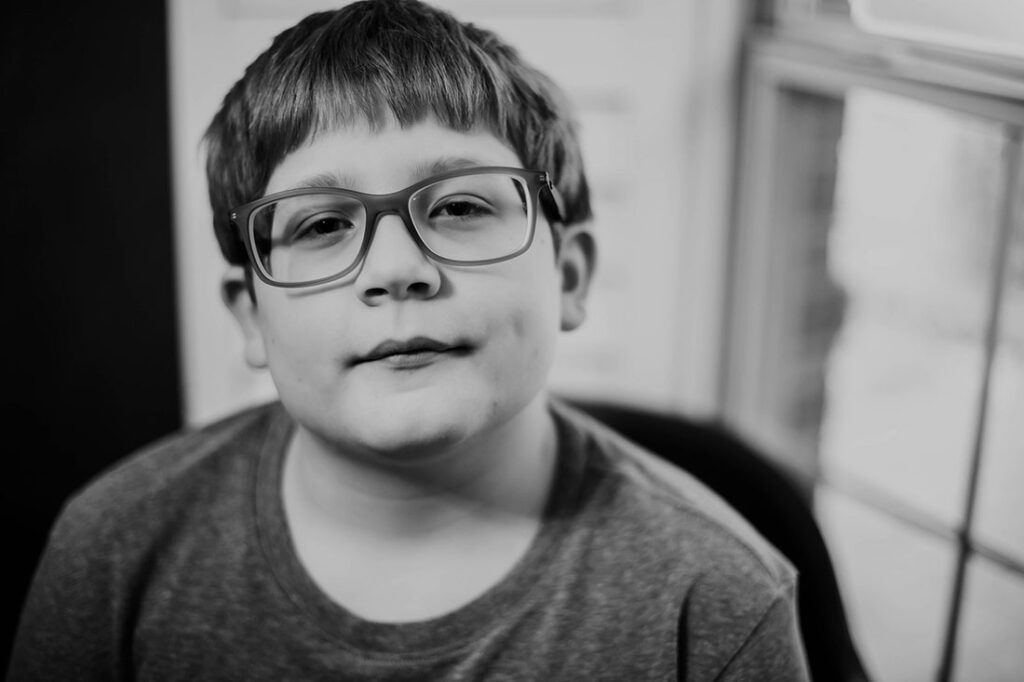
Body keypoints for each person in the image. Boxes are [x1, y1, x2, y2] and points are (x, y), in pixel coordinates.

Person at [7, 1, 810, 679]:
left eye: (460, 208)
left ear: (568, 277)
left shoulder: (714, 602)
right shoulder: (111, 552)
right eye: (322, 225)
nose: (397, 268)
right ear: (251, 316)